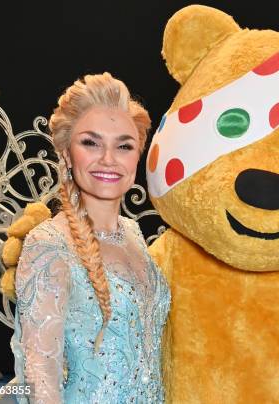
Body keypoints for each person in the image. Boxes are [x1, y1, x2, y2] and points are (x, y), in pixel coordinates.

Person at [10, 73, 170, 403]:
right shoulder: (49, 245)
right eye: (91, 143)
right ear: (67, 153)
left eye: (123, 146)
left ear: (137, 155)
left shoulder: (134, 234)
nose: (108, 159)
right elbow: (40, 377)